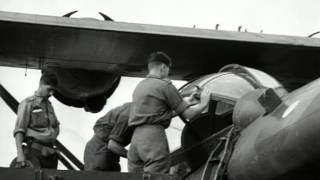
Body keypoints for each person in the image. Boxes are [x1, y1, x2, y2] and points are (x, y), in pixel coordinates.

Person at [127, 51, 211, 174]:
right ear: (163, 67)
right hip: (153, 139)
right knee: (157, 175)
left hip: (135, 140)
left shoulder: (140, 86)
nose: (168, 73)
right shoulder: (164, 86)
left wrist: (186, 102)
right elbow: (188, 115)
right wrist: (204, 103)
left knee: (135, 177)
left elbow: (157, 114)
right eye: (168, 70)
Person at [12, 73, 60, 169]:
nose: (51, 93)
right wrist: (20, 154)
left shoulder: (49, 105)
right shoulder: (28, 103)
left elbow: (56, 125)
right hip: (34, 153)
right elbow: (19, 130)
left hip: (50, 155)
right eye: (49, 89)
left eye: (53, 91)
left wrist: (52, 137)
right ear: (41, 85)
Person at [83, 102, 134, 171]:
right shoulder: (129, 114)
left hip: (104, 151)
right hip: (100, 151)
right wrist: (134, 157)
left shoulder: (135, 107)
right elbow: (112, 145)